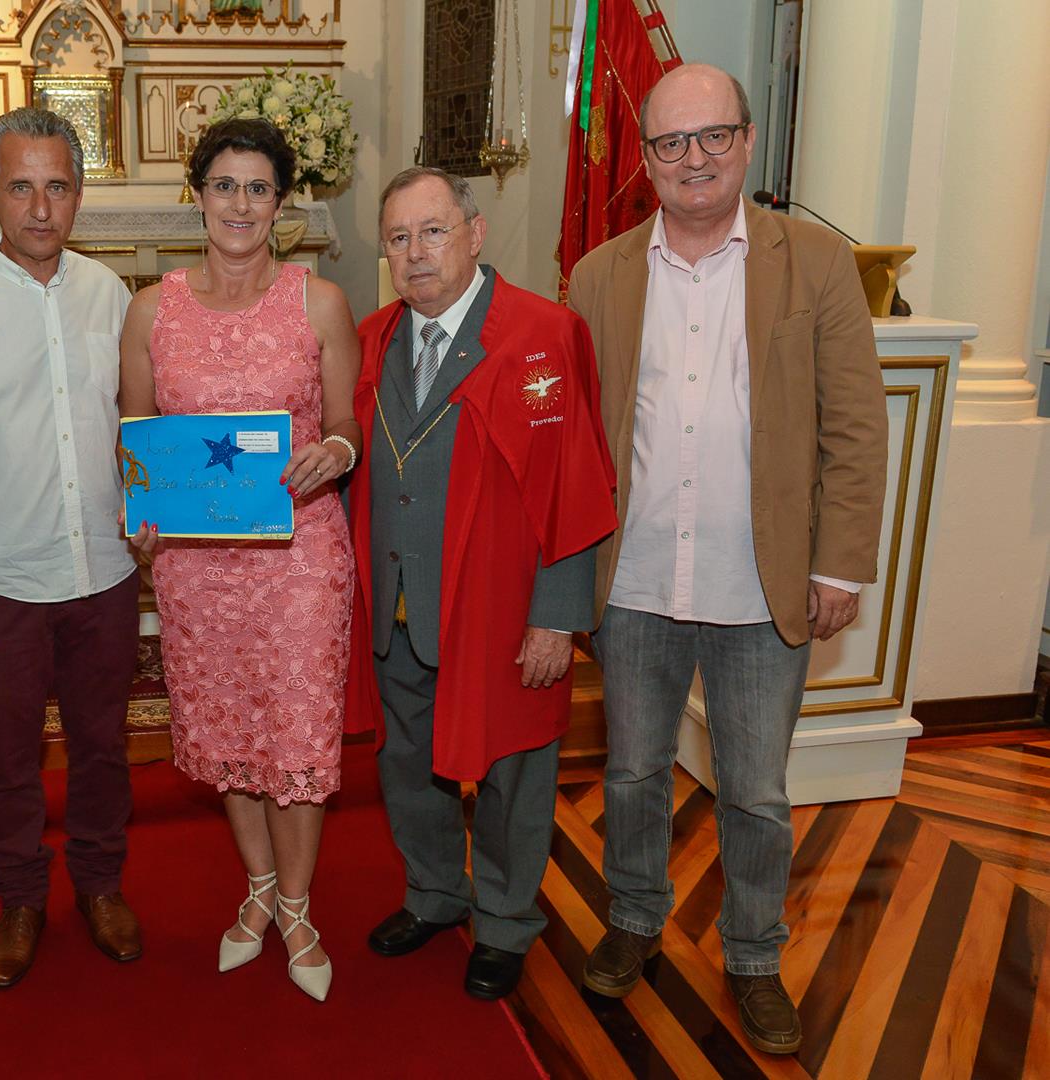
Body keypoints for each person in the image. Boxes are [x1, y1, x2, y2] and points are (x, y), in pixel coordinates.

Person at [566, 63, 887, 1056]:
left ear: (747, 143)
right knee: (630, 774)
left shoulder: (819, 263)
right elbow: (577, 437)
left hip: (763, 581)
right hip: (637, 579)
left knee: (753, 790)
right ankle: (632, 915)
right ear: (646, 161)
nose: (693, 160)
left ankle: (754, 956)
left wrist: (840, 563)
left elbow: (856, 425)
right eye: (670, 143)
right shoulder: (598, 276)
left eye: (712, 138)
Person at [344, 166, 617, 1001]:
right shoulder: (372, 337)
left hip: (501, 612)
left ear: (475, 232)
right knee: (409, 766)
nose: (416, 253)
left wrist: (557, 618)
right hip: (395, 608)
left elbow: (578, 482)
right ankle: (433, 894)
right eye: (398, 238)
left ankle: (504, 922)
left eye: (432, 231)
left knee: (511, 777)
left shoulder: (544, 332)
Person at [118, 117, 361, 1002]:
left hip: (299, 552)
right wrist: (140, 512)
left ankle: (297, 906)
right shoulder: (151, 309)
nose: (240, 204)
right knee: (228, 731)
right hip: (196, 566)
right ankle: (257, 889)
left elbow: (346, 425)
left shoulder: (318, 302)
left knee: (293, 732)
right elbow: (136, 438)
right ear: (198, 193)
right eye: (225, 185)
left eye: (259, 188)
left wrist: (336, 454)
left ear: (282, 203)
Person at [0, 107, 143, 990]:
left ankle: (100, 884)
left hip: (104, 574)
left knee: (104, 746)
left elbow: (134, 426)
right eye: (21, 187)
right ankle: (17, 899)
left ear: (78, 194)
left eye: (57, 187)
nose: (40, 208)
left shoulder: (110, 294)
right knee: (7, 758)